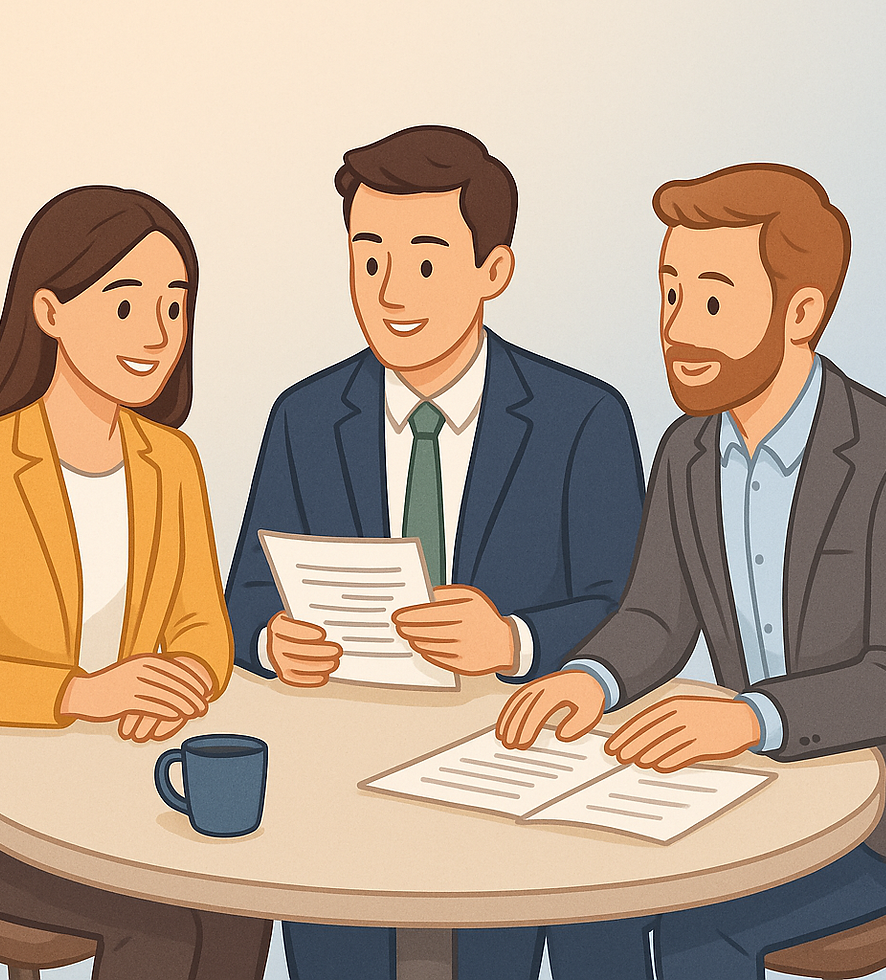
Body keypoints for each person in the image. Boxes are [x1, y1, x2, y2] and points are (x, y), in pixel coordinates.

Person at [225, 126, 645, 980]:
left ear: (495, 272)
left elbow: (631, 610)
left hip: (518, 769)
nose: (389, 291)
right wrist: (272, 640)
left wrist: (516, 641)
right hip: (342, 773)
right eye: (366, 257)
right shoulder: (303, 417)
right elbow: (242, 594)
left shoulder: (582, 418)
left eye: (424, 261)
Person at [497, 163, 886, 980]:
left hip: (884, 821)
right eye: (669, 294)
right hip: (742, 793)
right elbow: (656, 616)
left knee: (699, 932)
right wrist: (592, 677)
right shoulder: (686, 451)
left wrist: (752, 716)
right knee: (590, 899)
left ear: (802, 314)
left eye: (714, 301)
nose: (678, 327)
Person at [0, 185, 272, 980]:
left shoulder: (172, 464)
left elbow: (203, 629)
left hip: (101, 789)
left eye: (174, 306)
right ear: (49, 311)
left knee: (242, 905)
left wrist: (180, 682)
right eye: (125, 307)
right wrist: (86, 692)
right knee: (159, 933)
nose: (156, 335)